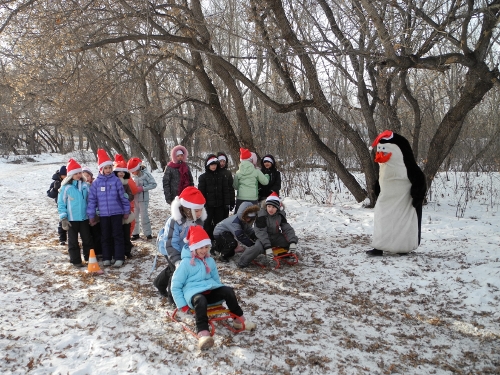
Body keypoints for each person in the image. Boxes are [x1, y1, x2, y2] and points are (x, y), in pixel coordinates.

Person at [171, 225, 256, 350]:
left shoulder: (210, 261)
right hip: (194, 294)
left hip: (210, 289)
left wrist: (220, 290)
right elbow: (176, 286)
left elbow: (216, 279)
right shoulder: (185, 264)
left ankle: (238, 320)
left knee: (228, 291)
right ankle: (203, 333)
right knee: (201, 300)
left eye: (206, 247)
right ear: (193, 247)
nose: (204, 250)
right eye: (200, 247)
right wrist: (182, 305)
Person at [366, 130, 427, 256]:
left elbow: (419, 179)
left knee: (402, 223)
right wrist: (377, 188)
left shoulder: (407, 165)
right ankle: (379, 246)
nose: (381, 153)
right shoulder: (385, 165)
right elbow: (382, 177)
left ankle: (402, 247)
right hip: (386, 198)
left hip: (403, 200)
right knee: (382, 220)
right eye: (379, 149)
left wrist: (417, 195)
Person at [153, 186, 207, 300]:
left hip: (183, 249)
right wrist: (177, 260)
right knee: (177, 272)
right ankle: (173, 299)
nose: (199, 213)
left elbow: (198, 238)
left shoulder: (198, 220)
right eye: (196, 210)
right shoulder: (174, 221)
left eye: (201, 209)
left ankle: (159, 283)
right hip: (169, 247)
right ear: (187, 209)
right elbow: (171, 242)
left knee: (172, 268)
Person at [87, 149, 130, 268]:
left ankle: (119, 257)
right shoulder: (96, 183)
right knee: (105, 236)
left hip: (116, 212)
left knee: (117, 234)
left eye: (110, 168)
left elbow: (123, 197)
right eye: (106, 168)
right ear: (101, 169)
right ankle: (107, 257)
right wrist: (91, 215)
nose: (108, 170)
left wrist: (126, 210)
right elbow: (92, 200)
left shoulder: (116, 181)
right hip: (104, 215)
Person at [237, 192, 298, 269]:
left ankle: (284, 253)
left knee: (294, 239)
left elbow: (286, 228)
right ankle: (242, 262)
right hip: (263, 238)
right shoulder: (261, 215)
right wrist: (267, 247)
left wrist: (292, 242)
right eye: (269, 206)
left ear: (278, 208)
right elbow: (261, 232)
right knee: (257, 247)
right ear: (266, 206)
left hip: (276, 236)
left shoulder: (280, 214)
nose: (271, 209)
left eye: (273, 207)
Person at [57, 159, 93, 267]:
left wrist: (92, 214)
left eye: (79, 173)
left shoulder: (86, 186)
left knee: (87, 239)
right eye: (75, 173)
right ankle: (75, 260)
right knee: (72, 241)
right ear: (70, 175)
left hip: (84, 219)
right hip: (71, 220)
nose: (78, 175)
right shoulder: (65, 188)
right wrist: (63, 218)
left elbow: (91, 200)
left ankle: (89, 258)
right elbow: (61, 204)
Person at [198, 154, 231, 240]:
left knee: (219, 223)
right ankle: (207, 240)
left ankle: (218, 240)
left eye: (215, 164)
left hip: (219, 205)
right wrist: (203, 204)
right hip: (208, 206)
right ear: (208, 165)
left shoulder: (222, 177)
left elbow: (225, 191)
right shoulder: (203, 177)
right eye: (212, 165)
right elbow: (201, 192)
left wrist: (227, 203)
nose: (213, 166)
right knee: (207, 223)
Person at [127, 157, 157, 240]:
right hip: (135, 199)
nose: (132, 173)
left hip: (143, 199)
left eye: (133, 171)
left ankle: (148, 234)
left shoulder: (146, 174)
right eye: (131, 172)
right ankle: (135, 233)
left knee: (144, 216)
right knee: (135, 216)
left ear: (137, 168)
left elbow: (154, 184)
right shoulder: (133, 176)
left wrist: (142, 188)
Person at [233, 148, 269, 213]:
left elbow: (235, 186)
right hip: (252, 198)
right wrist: (267, 176)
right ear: (251, 160)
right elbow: (265, 182)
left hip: (241, 198)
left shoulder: (238, 173)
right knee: (252, 217)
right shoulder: (256, 171)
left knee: (239, 216)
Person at [114, 155, 136, 258]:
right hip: (115, 212)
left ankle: (127, 250)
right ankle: (118, 251)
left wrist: (128, 197)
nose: (121, 173)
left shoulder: (126, 184)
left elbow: (131, 195)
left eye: (123, 172)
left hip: (126, 211)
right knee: (118, 233)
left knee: (126, 232)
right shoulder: (112, 184)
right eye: (119, 171)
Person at [82, 166, 102, 258]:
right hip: (85, 215)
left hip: (95, 214)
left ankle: (99, 251)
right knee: (88, 235)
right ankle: (91, 251)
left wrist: (97, 212)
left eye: (88, 176)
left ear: (91, 176)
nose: (86, 178)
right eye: (84, 176)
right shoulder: (81, 186)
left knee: (97, 233)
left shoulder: (95, 185)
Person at [47, 165, 67, 245]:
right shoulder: (56, 182)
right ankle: (62, 238)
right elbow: (50, 194)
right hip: (61, 204)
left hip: (71, 204)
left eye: (67, 175)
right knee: (62, 221)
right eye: (64, 175)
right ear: (60, 175)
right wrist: (55, 189)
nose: (65, 177)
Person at [217, 151, 235, 218]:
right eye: (220, 161)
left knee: (225, 217)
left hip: (226, 200)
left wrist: (232, 200)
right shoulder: (214, 171)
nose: (222, 163)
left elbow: (231, 188)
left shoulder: (228, 173)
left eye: (223, 161)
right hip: (217, 201)